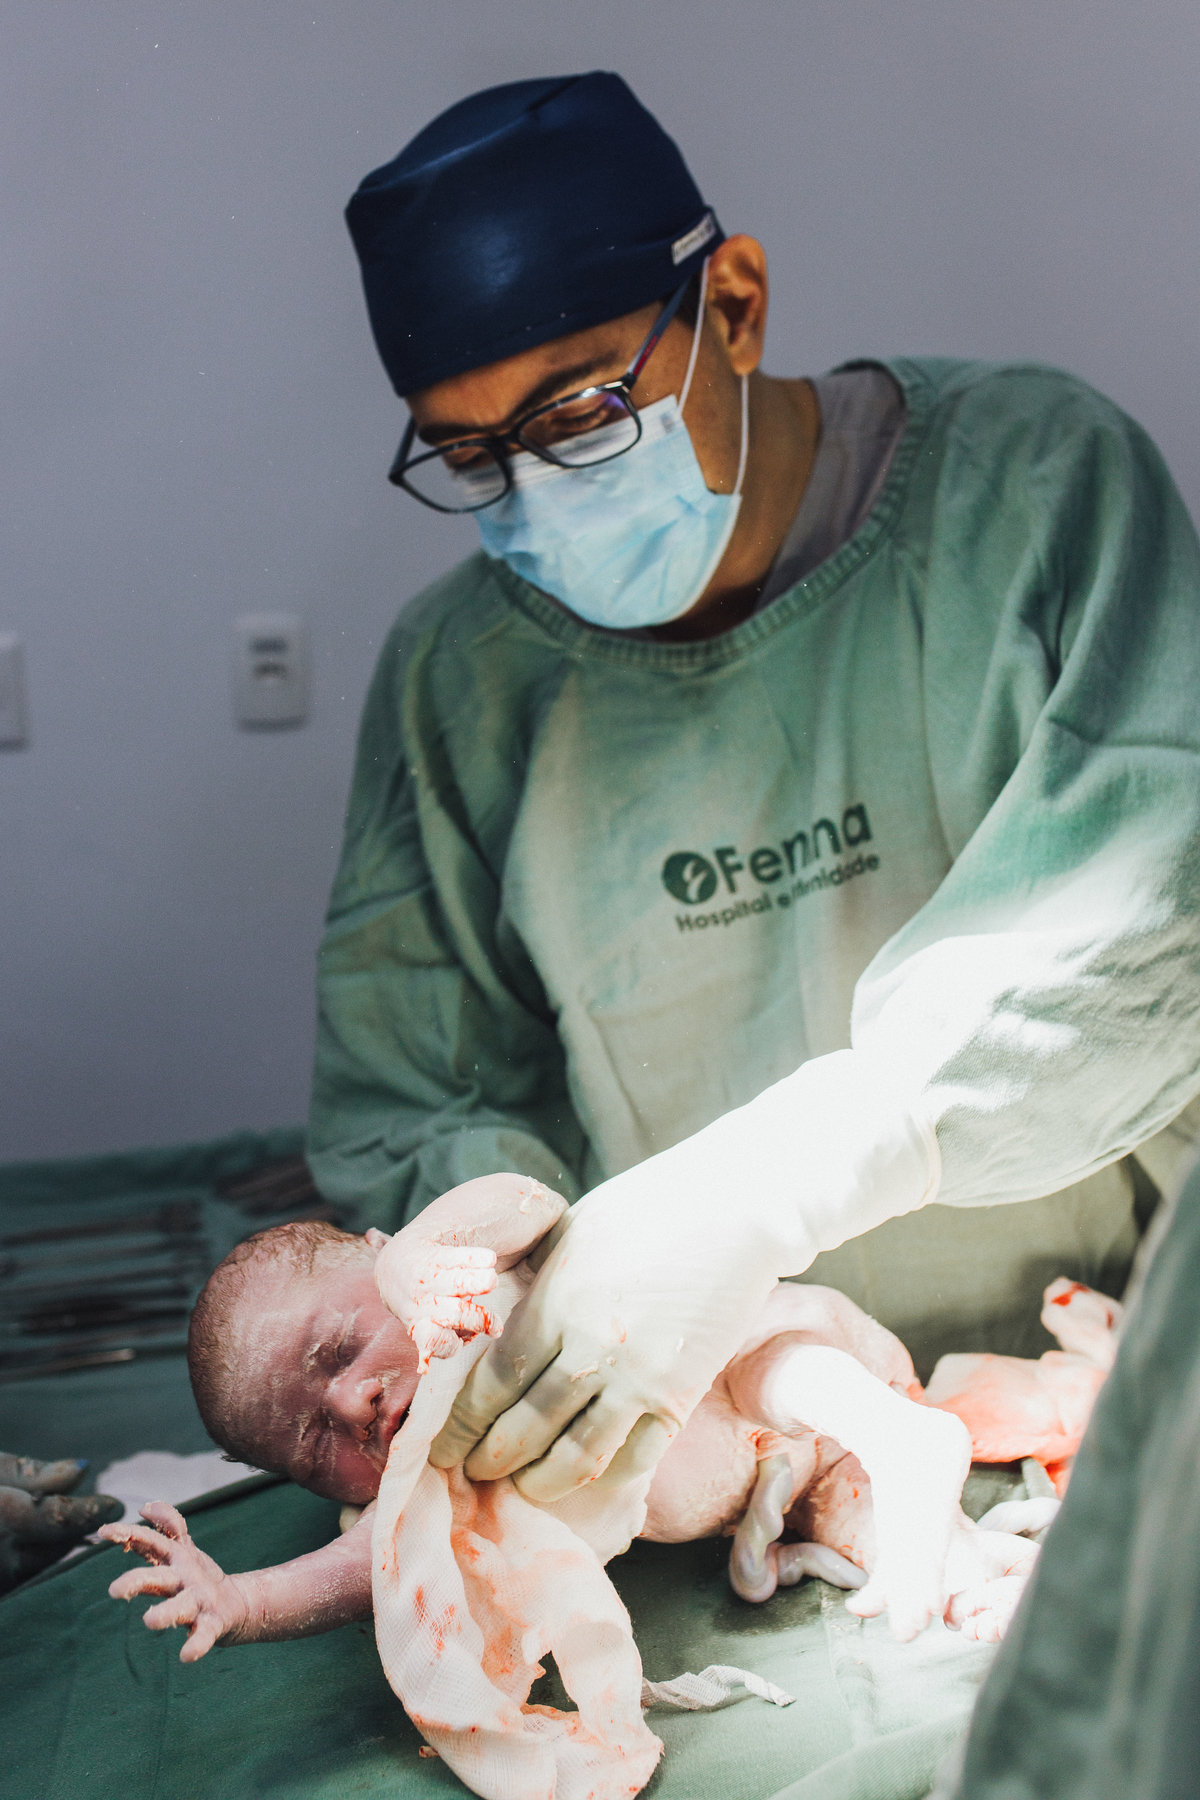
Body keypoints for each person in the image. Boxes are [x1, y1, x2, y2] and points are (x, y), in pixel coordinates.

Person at [308, 70, 1200, 1507]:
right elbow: (417, 1093)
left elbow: (1153, 920)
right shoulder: (459, 677)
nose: (536, 494)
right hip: (714, 1427)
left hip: (1104, 1378)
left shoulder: (1034, 486)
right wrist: (532, 1277)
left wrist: (759, 1189)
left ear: (731, 304)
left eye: (579, 414)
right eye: (474, 456)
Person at [100, 1176, 1046, 1660]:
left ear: (382, 1252)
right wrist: (244, 1601)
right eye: (314, 1447)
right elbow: (369, 1570)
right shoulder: (429, 1480)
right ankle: (970, 1577)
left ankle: (901, 1437)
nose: (351, 1404)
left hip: (742, 1364)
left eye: (339, 1349)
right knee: (861, 1522)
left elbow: (527, 1200)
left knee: (773, 1371)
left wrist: (426, 1255)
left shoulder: (479, 1275)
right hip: (774, 1480)